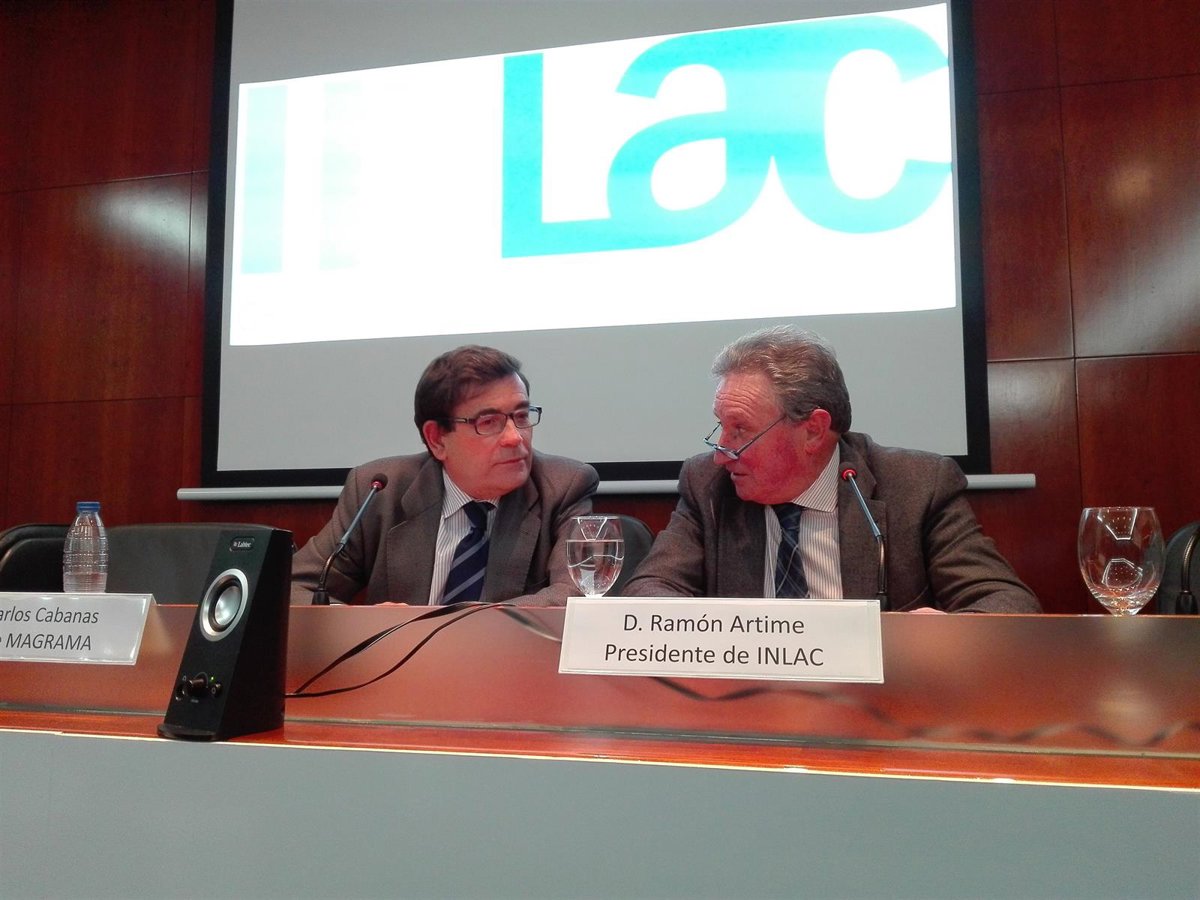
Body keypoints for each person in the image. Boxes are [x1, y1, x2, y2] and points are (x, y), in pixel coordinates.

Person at [623, 325, 1040, 613]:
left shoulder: (916, 486)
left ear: (813, 430)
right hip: (745, 698)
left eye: (741, 430)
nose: (721, 454)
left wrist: (941, 636)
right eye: (721, 427)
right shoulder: (708, 486)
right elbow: (649, 590)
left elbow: (1007, 602)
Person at [290, 345, 599, 606]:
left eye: (521, 416)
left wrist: (443, 627)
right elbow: (294, 588)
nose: (515, 437)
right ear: (437, 439)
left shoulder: (563, 487)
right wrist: (370, 626)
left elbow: (574, 596)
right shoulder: (380, 491)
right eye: (488, 422)